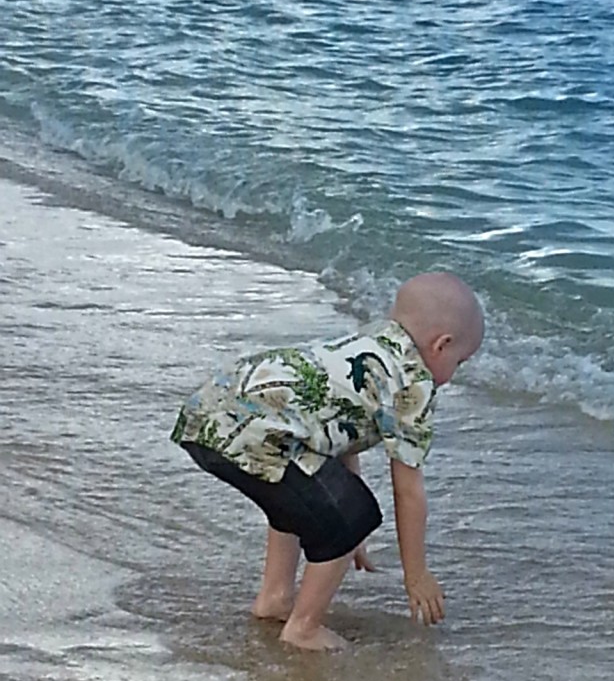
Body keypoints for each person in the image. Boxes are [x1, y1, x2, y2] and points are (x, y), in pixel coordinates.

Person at [170, 271, 484, 650]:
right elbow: (409, 491)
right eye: (460, 362)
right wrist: (415, 575)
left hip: (210, 415)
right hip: (253, 435)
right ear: (441, 344)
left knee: (309, 498)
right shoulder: (413, 382)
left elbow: (339, 437)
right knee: (354, 513)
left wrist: (343, 526)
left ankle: (276, 598)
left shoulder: (372, 339)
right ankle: (303, 627)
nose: (454, 374)